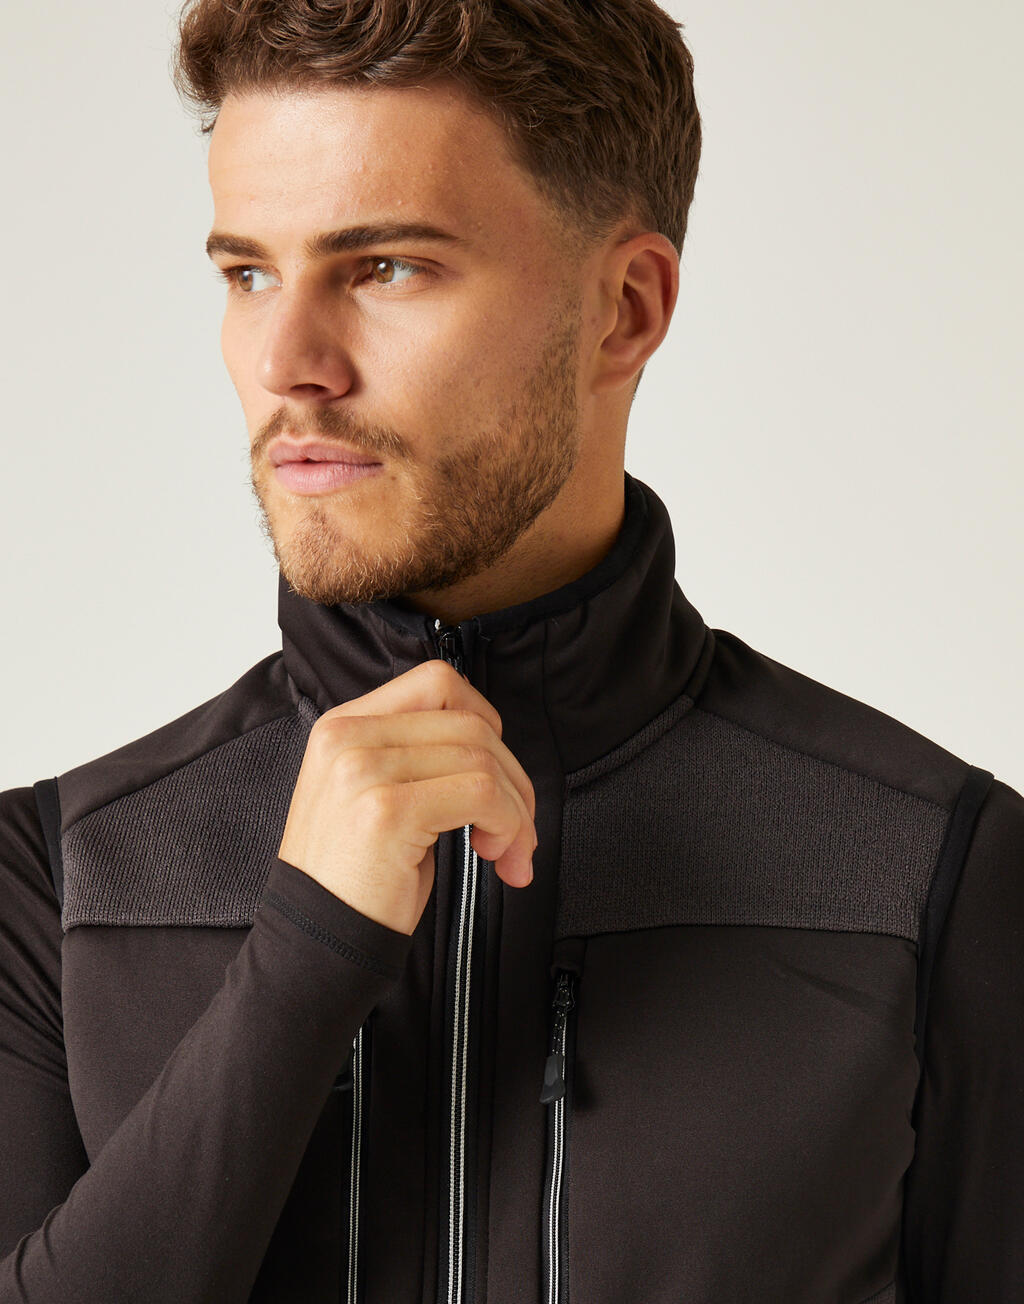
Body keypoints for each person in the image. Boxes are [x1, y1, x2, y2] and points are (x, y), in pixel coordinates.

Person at [0, 0, 1020, 1300]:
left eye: (384, 268)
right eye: (248, 273)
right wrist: (305, 950)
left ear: (625, 311)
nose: (287, 361)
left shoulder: (934, 878)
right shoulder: (58, 884)